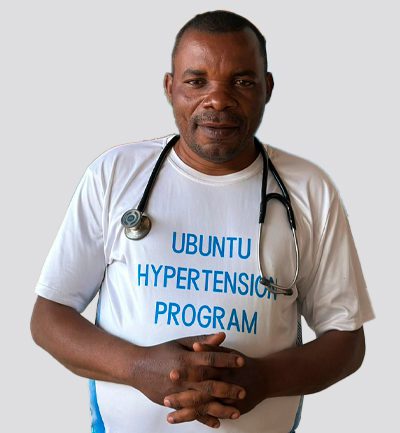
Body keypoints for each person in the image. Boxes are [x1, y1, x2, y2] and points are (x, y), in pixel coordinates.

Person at [30, 10, 375, 433]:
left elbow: (346, 341)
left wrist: (264, 380)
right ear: (169, 88)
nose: (218, 100)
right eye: (197, 82)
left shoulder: (310, 188)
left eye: (242, 82)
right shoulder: (115, 174)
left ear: (267, 88)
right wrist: (139, 367)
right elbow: (49, 317)